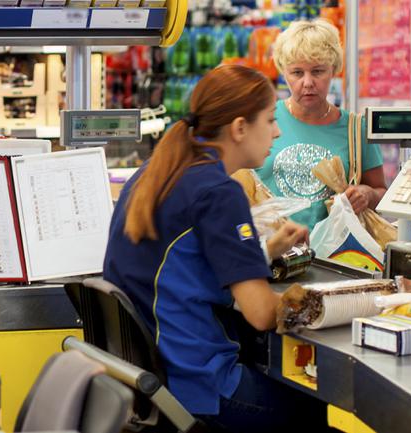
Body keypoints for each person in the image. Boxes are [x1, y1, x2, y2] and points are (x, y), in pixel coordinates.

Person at [102, 65, 332, 433]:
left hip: (155, 382)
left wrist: (266, 249)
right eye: (270, 120)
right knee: (317, 406)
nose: (276, 131)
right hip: (203, 386)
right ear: (240, 128)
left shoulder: (156, 172)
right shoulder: (218, 192)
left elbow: (186, 263)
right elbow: (260, 313)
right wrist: (343, 306)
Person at [255, 18, 386, 230]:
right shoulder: (264, 119)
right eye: (297, 72)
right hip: (271, 251)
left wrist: (367, 195)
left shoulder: (356, 128)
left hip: (334, 255)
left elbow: (380, 191)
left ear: (333, 70)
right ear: (283, 72)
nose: (307, 82)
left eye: (317, 71)